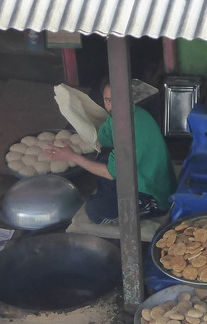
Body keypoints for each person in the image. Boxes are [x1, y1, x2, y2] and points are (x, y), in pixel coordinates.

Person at [47, 81, 177, 224]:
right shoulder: (120, 117)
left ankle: (145, 206)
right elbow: (104, 140)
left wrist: (72, 156)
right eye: (108, 100)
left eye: (117, 99)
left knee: (95, 211)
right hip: (136, 176)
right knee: (102, 160)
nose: (112, 105)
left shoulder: (130, 129)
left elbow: (110, 173)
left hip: (151, 191)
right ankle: (110, 197)